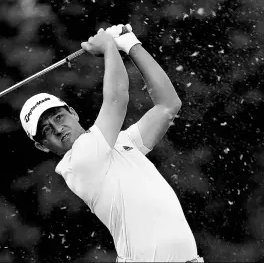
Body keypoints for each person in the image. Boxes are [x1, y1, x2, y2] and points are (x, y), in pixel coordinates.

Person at [20, 24, 204, 263]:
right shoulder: (79, 163)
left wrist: (131, 44)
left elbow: (168, 105)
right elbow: (117, 99)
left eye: (58, 117)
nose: (58, 129)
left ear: (73, 113)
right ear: (42, 146)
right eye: (46, 131)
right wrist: (108, 45)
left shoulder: (122, 143)